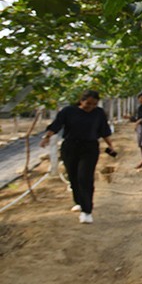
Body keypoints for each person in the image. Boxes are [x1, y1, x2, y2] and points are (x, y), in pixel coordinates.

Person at [40, 90, 113, 224]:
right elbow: (56, 125)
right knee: (73, 177)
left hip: (89, 148)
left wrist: (111, 145)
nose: (90, 107)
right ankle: (79, 201)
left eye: (94, 104)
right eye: (88, 103)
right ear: (81, 100)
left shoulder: (99, 113)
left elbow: (104, 130)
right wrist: (46, 138)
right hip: (70, 148)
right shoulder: (68, 111)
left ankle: (87, 211)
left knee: (85, 177)